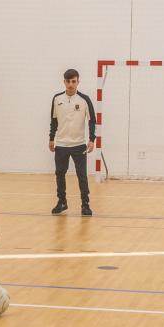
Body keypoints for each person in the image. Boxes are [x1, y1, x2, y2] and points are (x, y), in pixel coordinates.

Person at [48, 67, 96, 216]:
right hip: (61, 145)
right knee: (59, 174)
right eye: (68, 81)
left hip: (79, 145)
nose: (70, 84)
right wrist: (51, 138)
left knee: (82, 175)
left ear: (78, 82)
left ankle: (85, 205)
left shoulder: (84, 100)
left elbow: (92, 120)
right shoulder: (57, 99)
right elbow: (53, 120)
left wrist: (92, 140)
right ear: (64, 82)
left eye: (73, 81)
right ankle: (62, 202)